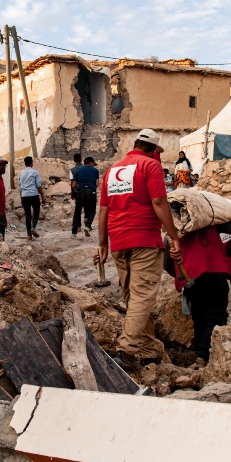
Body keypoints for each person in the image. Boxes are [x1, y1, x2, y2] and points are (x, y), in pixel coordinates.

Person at [95, 129, 183, 371]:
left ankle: (147, 350)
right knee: (142, 298)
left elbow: (104, 209)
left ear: (134, 144)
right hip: (144, 239)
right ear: (155, 150)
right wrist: (174, 236)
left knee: (134, 300)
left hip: (119, 242)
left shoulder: (112, 170)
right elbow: (158, 202)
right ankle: (125, 350)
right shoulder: (150, 166)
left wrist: (104, 244)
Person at [171, 216, 231, 368]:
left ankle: (200, 356)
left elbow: (167, 264)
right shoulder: (210, 221)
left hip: (191, 278)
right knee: (216, 316)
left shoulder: (175, 231)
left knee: (199, 316)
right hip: (213, 273)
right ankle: (204, 356)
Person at [71, 156, 99, 237]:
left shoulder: (78, 171)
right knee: (92, 211)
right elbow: (97, 184)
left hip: (80, 191)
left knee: (77, 212)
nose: (94, 165)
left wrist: (79, 187)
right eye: (93, 164)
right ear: (90, 163)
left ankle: (73, 233)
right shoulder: (95, 171)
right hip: (91, 191)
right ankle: (87, 226)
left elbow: (73, 185)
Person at [17, 156, 44, 240]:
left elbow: (20, 188)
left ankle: (29, 235)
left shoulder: (21, 174)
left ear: (25, 163)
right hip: (33, 195)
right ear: (32, 163)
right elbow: (38, 185)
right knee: (36, 212)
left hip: (24, 196)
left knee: (28, 216)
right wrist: (42, 196)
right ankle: (33, 227)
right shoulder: (35, 172)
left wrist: (21, 199)